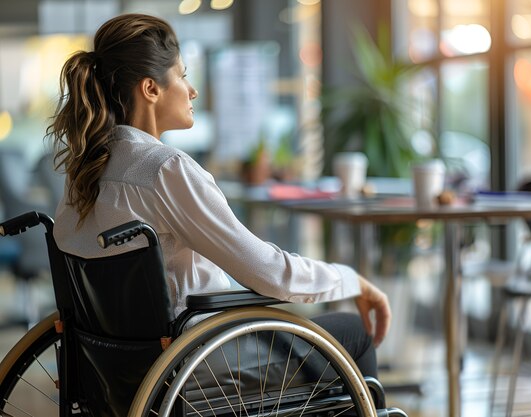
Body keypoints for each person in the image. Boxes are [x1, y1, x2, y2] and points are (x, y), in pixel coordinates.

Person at [48, 13, 391, 378]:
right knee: (352, 333)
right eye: (182, 75)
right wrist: (349, 279)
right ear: (151, 89)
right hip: (191, 363)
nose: (192, 90)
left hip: (111, 370)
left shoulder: (85, 169)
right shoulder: (165, 170)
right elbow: (270, 273)